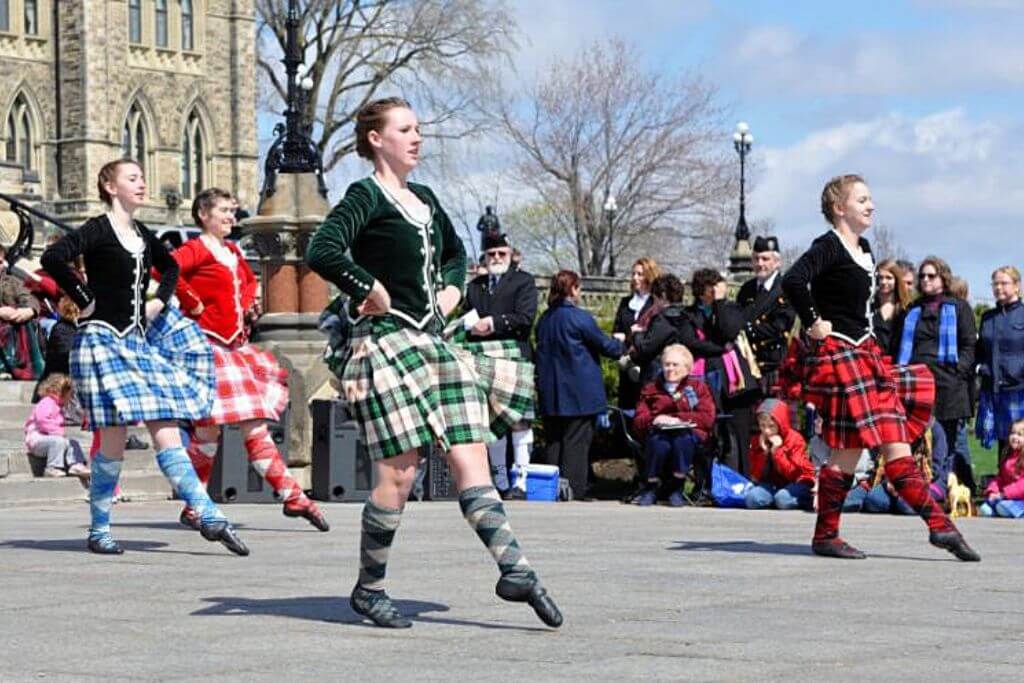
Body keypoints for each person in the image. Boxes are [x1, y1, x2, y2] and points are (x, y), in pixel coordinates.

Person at [306, 97, 561, 629]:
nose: (416, 138)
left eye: (418, 128)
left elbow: (453, 253)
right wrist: (367, 286)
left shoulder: (423, 197)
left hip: (434, 344)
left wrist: (450, 290)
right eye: (405, 129)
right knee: (400, 475)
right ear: (377, 139)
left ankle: (515, 569)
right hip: (385, 344)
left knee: (472, 458)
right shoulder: (364, 197)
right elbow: (324, 249)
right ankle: (369, 588)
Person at [41, 158, 247, 556]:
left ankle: (206, 511)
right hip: (100, 340)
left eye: (141, 177)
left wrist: (158, 302)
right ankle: (100, 529)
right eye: (132, 178)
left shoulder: (140, 233)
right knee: (113, 441)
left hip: (135, 343)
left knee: (164, 421)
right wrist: (84, 299)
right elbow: (54, 259)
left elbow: (169, 267)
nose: (141, 184)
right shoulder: (98, 228)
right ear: (109, 185)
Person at [782, 173, 978, 561]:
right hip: (841, 356)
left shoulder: (865, 248)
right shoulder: (829, 246)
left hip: (866, 357)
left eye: (870, 199)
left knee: (886, 446)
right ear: (839, 208)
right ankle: (837, 535)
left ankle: (939, 527)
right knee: (848, 454)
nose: (871, 205)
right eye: (862, 200)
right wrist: (813, 321)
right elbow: (793, 280)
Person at [164, 188, 328, 532]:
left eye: (232, 211)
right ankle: (292, 495)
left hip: (233, 349)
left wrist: (249, 300)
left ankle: (196, 505)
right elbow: (165, 271)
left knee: (210, 434)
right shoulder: (195, 249)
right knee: (244, 426)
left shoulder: (233, 251)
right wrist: (193, 304)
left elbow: (247, 285)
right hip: (209, 349)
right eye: (224, 211)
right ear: (203, 215)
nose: (230, 217)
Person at [534, 270, 623, 501]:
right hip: (579, 393)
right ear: (573, 289)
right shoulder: (579, 318)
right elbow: (607, 347)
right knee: (576, 444)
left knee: (554, 442)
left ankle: (551, 489)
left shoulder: (545, 319)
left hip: (551, 392)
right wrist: (622, 341)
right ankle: (574, 490)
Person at [891, 256, 978, 494]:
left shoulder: (959, 308)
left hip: (949, 384)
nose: (926, 280)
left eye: (931, 275)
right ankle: (916, 480)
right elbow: (898, 345)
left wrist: (959, 370)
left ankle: (942, 484)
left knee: (947, 440)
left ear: (943, 278)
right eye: (922, 276)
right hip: (916, 385)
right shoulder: (912, 310)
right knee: (916, 436)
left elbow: (970, 345)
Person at [461, 232, 538, 500]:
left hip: (515, 357)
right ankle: (500, 480)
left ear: (510, 255)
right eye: (491, 254)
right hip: (484, 360)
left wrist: (492, 323)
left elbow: (526, 318)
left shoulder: (523, 281)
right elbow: (464, 318)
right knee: (493, 422)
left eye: (501, 253)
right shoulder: (475, 286)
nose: (495, 258)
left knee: (518, 420)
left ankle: (522, 480)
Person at [682, 268, 758, 477]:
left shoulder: (730, 309)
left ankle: (742, 477)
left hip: (735, 380)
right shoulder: (688, 315)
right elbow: (691, 343)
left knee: (739, 428)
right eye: (711, 286)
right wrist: (719, 348)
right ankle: (705, 480)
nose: (715, 289)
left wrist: (720, 303)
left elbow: (730, 331)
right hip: (705, 376)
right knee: (708, 429)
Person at [631, 344, 715, 507]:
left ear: (687, 367)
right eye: (666, 364)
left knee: (681, 440)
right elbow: (638, 419)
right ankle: (652, 486)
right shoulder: (650, 389)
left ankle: (676, 487)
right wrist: (654, 419)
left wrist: (677, 419)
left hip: (690, 433)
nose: (670, 369)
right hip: (658, 432)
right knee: (658, 442)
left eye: (675, 365)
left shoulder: (698, 388)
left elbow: (707, 418)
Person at [737, 236, 796, 394]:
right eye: (756, 259)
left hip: (772, 366)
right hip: (746, 364)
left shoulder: (786, 290)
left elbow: (779, 328)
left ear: (777, 262)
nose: (760, 264)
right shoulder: (746, 290)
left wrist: (747, 328)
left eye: (765, 259)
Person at [976, 266, 1024, 455]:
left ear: (1017, 286)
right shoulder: (988, 317)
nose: (998, 287)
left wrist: (1018, 369)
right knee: (1003, 445)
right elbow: (979, 350)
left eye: (1003, 283)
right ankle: (1002, 481)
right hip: (993, 388)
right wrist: (980, 368)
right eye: (995, 283)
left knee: (1019, 442)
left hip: (1019, 389)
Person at [861, 421, 950, 514]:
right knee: (873, 501)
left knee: (905, 505)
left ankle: (936, 504)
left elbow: (935, 470)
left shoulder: (934, 429)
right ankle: (901, 503)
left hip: (927, 482)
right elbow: (885, 461)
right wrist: (890, 482)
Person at [744, 398, 815, 510]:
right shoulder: (758, 440)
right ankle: (773, 499)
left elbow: (794, 473)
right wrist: (764, 452)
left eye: (771, 426)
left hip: (797, 482)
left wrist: (777, 452)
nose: (766, 431)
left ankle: (803, 499)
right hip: (773, 484)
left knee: (782, 499)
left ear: (781, 424)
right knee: (752, 499)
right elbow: (755, 476)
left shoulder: (795, 439)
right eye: (762, 426)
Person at [612, 257, 660, 409]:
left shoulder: (656, 303)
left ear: (649, 276)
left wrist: (630, 335)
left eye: (640, 274)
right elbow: (617, 328)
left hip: (648, 365)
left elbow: (656, 333)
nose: (635, 278)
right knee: (627, 405)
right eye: (633, 274)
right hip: (627, 363)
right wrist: (623, 336)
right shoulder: (626, 302)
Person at [24, 373, 89, 479]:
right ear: (61, 392)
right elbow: (42, 420)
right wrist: (57, 433)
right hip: (37, 441)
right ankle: (52, 467)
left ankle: (76, 464)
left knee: (72, 442)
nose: (70, 398)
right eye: (69, 395)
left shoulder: (58, 406)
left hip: (52, 440)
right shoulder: (46, 402)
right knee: (58, 441)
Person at [629, 273, 686, 385]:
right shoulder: (686, 316)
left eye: (655, 298)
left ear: (663, 296)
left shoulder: (664, 319)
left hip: (658, 376)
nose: (654, 303)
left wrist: (636, 334)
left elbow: (646, 348)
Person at [0, 243, 43, 380]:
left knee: (25, 323)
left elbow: (28, 298)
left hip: (11, 326)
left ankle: (22, 368)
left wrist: (29, 310)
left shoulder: (12, 280)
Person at [979, 419, 1024, 518]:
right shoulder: (1008, 456)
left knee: (1002, 506)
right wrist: (992, 491)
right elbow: (1000, 478)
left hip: (1020, 498)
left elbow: (1022, 485)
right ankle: (1003, 510)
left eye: (1019, 435)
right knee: (985, 509)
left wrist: (1004, 494)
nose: (1014, 437)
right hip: (1005, 497)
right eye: (1012, 433)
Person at [871, 259, 912, 355]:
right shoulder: (869, 306)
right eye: (880, 278)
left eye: (889, 278)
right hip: (872, 360)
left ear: (897, 280)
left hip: (896, 362)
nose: (884, 282)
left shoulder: (905, 309)